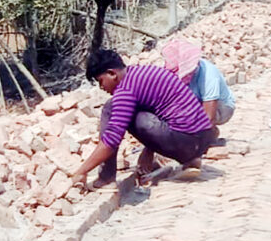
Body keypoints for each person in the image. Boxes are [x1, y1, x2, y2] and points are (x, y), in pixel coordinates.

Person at [69, 49, 216, 186]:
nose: (101, 87)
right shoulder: (140, 73)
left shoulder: (125, 91)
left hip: (187, 142)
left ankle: (106, 177)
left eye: (100, 81)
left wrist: (82, 171)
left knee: (111, 108)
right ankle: (192, 158)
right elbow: (161, 111)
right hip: (204, 137)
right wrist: (149, 150)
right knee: (124, 109)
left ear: (112, 74)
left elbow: (112, 139)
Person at [161, 39, 236, 129]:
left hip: (222, 107)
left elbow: (209, 116)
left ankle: (207, 133)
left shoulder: (208, 74)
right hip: (197, 102)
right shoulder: (175, 73)